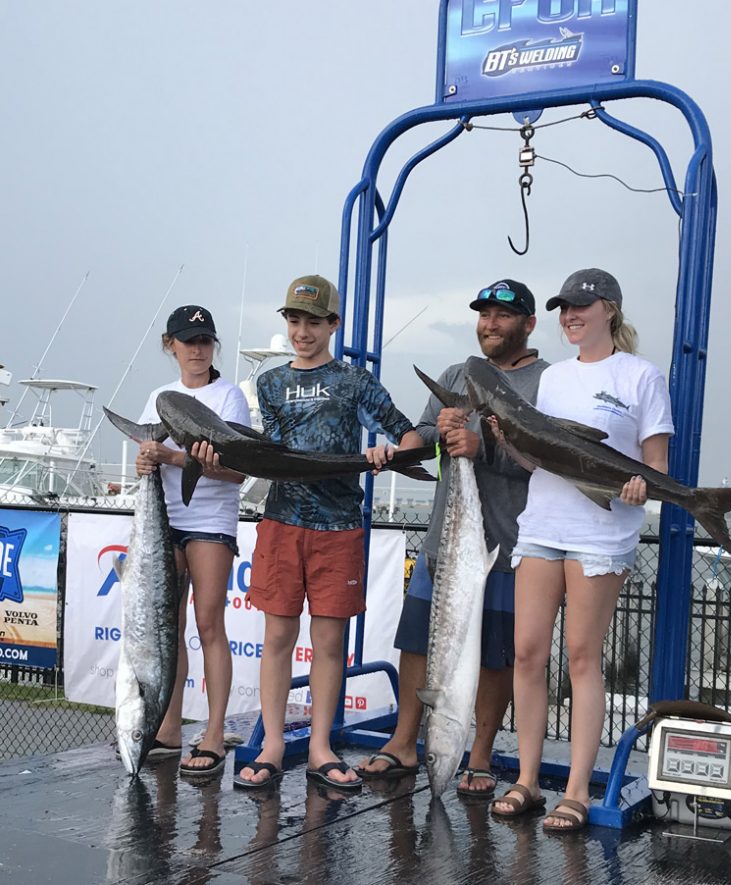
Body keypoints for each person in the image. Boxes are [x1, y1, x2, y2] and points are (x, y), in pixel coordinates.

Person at [491, 269, 674, 831]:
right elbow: (538, 461)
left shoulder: (642, 376)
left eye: (581, 306)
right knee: (526, 653)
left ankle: (575, 790)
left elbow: (657, 468)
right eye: (564, 308)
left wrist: (643, 488)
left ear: (610, 311)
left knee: (580, 657)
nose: (570, 315)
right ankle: (526, 779)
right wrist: (508, 440)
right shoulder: (552, 379)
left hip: (600, 530)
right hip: (542, 523)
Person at [356, 278, 547, 799]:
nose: (490, 323)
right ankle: (403, 743)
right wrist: (398, 448)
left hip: (506, 547)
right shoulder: (455, 375)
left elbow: (544, 462)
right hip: (445, 541)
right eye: (485, 314)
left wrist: (479, 446)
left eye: (503, 316)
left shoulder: (546, 383)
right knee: (417, 642)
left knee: (494, 656)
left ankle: (479, 754)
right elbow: (423, 435)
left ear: (528, 324)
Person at [236, 274, 422, 790]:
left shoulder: (354, 381)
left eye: (313, 322)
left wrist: (390, 453)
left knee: (329, 641)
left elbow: (406, 434)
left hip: (338, 526)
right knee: (277, 635)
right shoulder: (270, 383)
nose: (302, 331)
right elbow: (269, 453)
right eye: (294, 320)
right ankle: (274, 743)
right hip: (281, 520)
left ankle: (320, 746)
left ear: (333, 324)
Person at [135, 304, 251, 776]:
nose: (198, 350)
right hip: (164, 521)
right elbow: (150, 451)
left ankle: (214, 731)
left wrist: (176, 459)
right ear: (171, 345)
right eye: (188, 341)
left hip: (209, 521)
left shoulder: (229, 398)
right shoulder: (159, 396)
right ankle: (167, 727)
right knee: (168, 628)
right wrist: (147, 461)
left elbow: (239, 472)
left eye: (205, 341)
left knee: (208, 624)